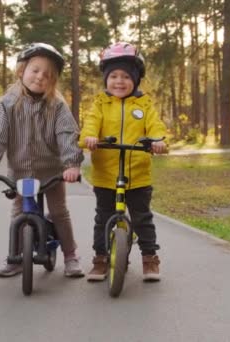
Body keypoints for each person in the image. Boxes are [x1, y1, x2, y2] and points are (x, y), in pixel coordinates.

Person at [0, 42, 85, 278]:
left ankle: (70, 255)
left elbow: (67, 134)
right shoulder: (8, 104)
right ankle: (15, 257)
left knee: (59, 212)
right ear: (22, 70)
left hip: (52, 172)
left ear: (53, 80)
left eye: (47, 74)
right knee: (18, 212)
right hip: (20, 172)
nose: (40, 77)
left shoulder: (57, 106)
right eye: (35, 70)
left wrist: (72, 165)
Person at [79, 42, 168, 282]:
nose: (119, 81)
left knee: (142, 218)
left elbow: (156, 126)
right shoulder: (100, 103)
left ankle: (150, 258)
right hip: (105, 174)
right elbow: (91, 122)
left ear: (136, 80)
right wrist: (89, 137)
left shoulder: (144, 104)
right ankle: (100, 259)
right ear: (106, 79)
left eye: (126, 76)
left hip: (138, 174)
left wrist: (158, 140)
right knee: (102, 218)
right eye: (114, 76)